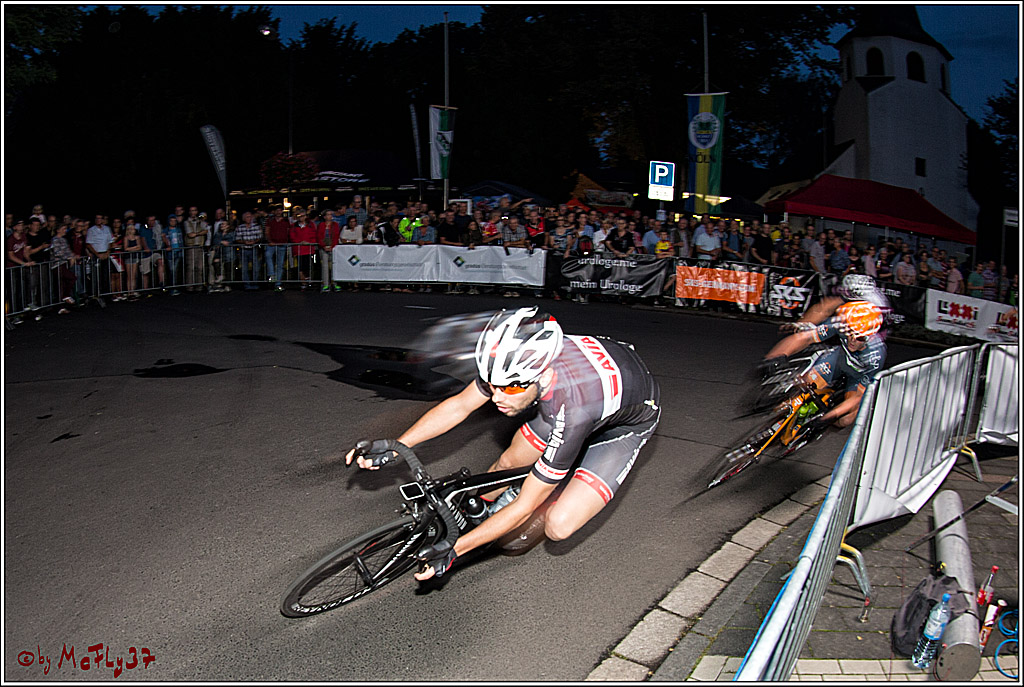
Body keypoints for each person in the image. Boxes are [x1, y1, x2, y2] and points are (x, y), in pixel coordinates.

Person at [345, 307, 661, 579]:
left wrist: (456, 550)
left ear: (543, 375)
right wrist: (398, 445)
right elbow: (459, 406)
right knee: (510, 462)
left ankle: (561, 479)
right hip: (579, 391)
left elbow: (525, 504)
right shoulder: (512, 363)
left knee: (558, 525)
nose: (496, 398)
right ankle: (494, 505)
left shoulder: (573, 408)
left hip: (624, 423)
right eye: (492, 385)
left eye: (508, 389)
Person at [764, 297, 886, 429]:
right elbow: (806, 338)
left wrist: (829, 417)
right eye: (849, 332)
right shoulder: (842, 323)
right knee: (806, 385)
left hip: (857, 377)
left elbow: (857, 397)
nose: (852, 339)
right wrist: (778, 355)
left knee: (845, 420)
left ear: (870, 336)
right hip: (839, 359)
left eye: (859, 337)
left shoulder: (875, 355)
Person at [183, 206, 210, 291]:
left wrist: (196, 233)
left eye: (194, 210)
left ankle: (199, 286)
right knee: (191, 267)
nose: (192, 212)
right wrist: (200, 233)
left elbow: (206, 231)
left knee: (199, 267)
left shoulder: (200, 221)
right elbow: (190, 234)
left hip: (200, 246)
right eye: (191, 211)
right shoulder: (187, 222)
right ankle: (190, 287)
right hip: (191, 246)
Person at [265, 206, 291, 292]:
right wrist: (269, 241)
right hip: (272, 244)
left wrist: (286, 241)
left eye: (280, 210)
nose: (279, 212)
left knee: (280, 265)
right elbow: (267, 231)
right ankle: (272, 274)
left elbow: (288, 231)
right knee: (268, 255)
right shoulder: (270, 220)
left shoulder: (286, 221)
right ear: (274, 211)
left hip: (282, 244)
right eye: (277, 210)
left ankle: (278, 283)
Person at [235, 211, 263, 291]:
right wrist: (244, 242)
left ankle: (255, 283)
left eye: (250, 217)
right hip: (244, 249)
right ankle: (247, 284)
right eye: (247, 217)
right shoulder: (240, 227)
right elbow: (237, 239)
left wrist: (254, 242)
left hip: (254, 248)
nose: (249, 218)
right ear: (244, 219)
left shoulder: (256, 227)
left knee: (256, 267)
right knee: (244, 268)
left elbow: (260, 237)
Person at [290, 210, 318, 290]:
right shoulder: (293, 226)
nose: (301, 218)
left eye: (303, 216)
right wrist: (300, 242)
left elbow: (314, 235)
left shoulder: (311, 225)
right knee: (300, 267)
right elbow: (292, 237)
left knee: (308, 266)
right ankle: (303, 283)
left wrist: (308, 242)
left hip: (308, 248)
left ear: (306, 216)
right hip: (299, 249)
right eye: (299, 216)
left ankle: (309, 281)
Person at [316, 209, 342, 292]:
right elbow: (319, 237)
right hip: (323, 247)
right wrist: (324, 246)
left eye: (331, 214)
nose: (330, 216)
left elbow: (336, 236)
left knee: (334, 266)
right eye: (328, 214)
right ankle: (326, 285)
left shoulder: (335, 225)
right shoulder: (321, 225)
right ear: (324, 216)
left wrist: (332, 246)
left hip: (332, 246)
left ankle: (335, 283)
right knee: (325, 266)